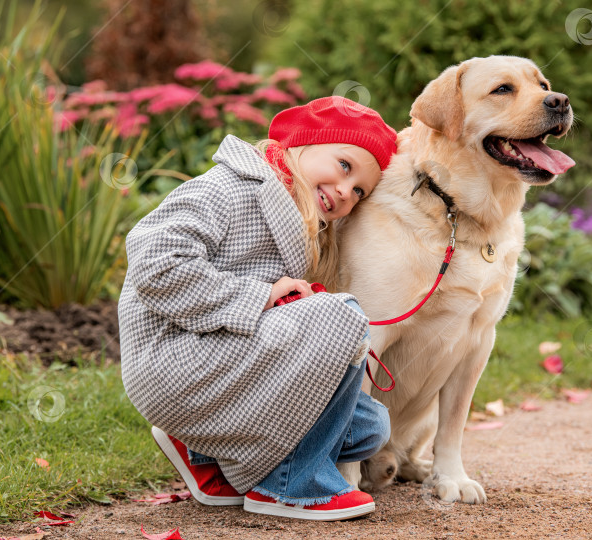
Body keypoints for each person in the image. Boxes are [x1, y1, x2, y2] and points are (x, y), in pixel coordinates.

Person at [118, 96, 398, 521]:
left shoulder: (300, 222)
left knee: (370, 428)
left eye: (359, 191)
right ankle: (289, 484)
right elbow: (155, 262)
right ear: (302, 143)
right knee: (341, 315)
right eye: (344, 165)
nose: (346, 191)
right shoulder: (228, 187)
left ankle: (203, 449)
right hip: (175, 356)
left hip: (225, 360)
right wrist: (260, 296)